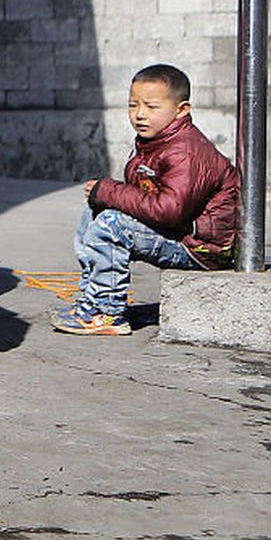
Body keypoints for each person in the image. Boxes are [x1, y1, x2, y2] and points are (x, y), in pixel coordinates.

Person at [56, 64, 239, 336]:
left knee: (111, 225)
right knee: (93, 214)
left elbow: (170, 211)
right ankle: (91, 299)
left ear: (182, 110)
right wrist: (105, 197)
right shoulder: (154, 141)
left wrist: (108, 191)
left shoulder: (186, 151)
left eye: (152, 107)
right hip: (179, 232)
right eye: (133, 105)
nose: (140, 115)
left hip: (202, 248)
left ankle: (106, 312)